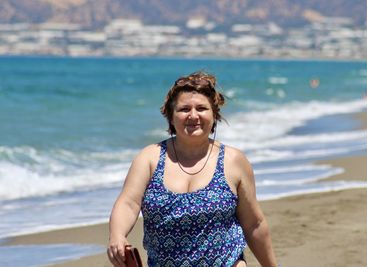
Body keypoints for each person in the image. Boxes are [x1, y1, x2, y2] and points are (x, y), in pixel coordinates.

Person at [108, 71, 278, 267]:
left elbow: (253, 224)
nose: (193, 115)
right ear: (171, 117)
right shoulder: (150, 158)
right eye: (184, 109)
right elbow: (128, 203)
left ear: (214, 116)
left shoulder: (233, 161)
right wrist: (117, 235)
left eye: (201, 108)